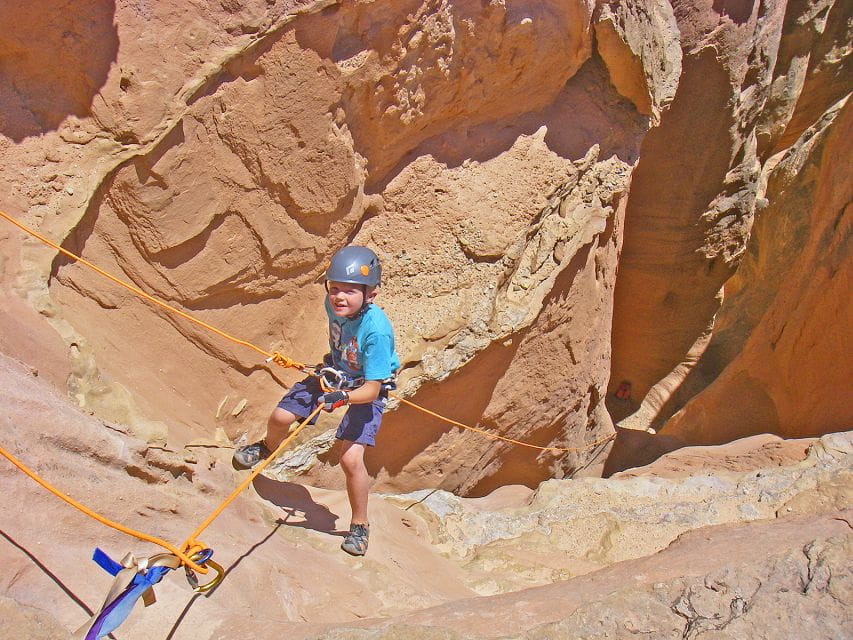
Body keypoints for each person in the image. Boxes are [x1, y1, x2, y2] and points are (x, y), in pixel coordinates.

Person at [233, 245, 400, 556]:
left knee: (351, 459)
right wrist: (336, 382)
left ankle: (360, 525)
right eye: (334, 288)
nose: (339, 297)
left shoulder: (377, 333)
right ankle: (267, 448)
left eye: (350, 291)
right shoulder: (332, 305)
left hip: (366, 387)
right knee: (281, 417)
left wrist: (343, 397)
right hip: (335, 372)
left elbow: (372, 390)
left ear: (371, 294)